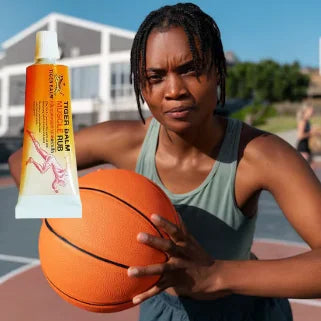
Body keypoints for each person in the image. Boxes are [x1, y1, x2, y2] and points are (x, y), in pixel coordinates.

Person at [8, 3, 321, 321]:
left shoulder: (260, 154)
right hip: (166, 309)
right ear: (142, 88)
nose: (174, 90)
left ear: (218, 72)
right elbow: (25, 160)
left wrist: (215, 275)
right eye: (155, 77)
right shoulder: (126, 142)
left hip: (243, 306)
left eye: (190, 70)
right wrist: (76, 225)